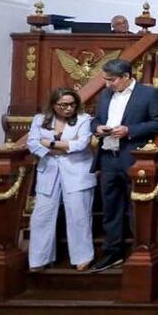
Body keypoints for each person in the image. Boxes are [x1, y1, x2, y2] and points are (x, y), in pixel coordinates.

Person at [90, 59, 158, 272]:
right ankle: (112, 252)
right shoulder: (105, 95)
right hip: (108, 157)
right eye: (106, 80)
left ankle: (140, 250)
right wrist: (98, 128)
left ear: (126, 77)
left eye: (111, 80)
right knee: (110, 207)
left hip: (132, 156)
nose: (107, 84)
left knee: (136, 207)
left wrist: (129, 130)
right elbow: (95, 120)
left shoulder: (148, 94)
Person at [26, 88, 96, 272]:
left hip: (77, 172)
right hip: (49, 170)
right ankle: (39, 258)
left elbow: (80, 144)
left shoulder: (83, 120)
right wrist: (61, 147)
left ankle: (83, 256)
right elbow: (32, 143)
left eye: (72, 104)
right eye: (63, 105)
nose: (68, 108)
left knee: (79, 214)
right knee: (41, 216)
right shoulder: (40, 119)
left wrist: (48, 143)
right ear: (53, 105)